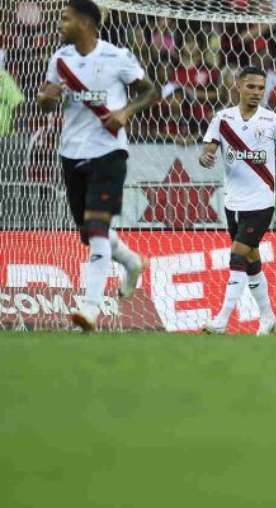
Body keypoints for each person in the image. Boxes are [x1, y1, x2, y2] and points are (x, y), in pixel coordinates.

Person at [36, 0, 160, 331]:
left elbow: (151, 91)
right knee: (89, 233)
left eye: (66, 18)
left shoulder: (117, 57)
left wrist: (126, 112)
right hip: (71, 152)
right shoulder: (60, 59)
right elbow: (49, 103)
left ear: (86, 23)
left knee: (96, 225)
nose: (60, 23)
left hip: (109, 151)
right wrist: (47, 100)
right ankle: (131, 262)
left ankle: (89, 310)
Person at [199, 66, 276, 335]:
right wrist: (205, 157)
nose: (256, 92)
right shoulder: (222, 119)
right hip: (233, 202)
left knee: (238, 254)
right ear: (238, 86)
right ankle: (267, 318)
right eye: (251, 87)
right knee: (252, 260)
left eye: (260, 88)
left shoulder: (273, 121)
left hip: (261, 202)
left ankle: (222, 318)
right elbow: (208, 149)